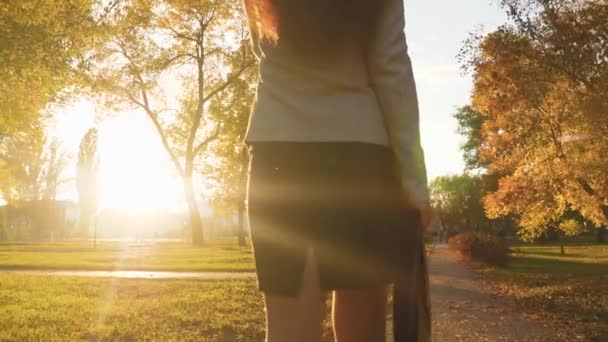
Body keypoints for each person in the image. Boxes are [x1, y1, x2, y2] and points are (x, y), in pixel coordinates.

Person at [241, 0, 431, 341]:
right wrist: (415, 184)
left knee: (288, 330)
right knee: (363, 329)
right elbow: (391, 69)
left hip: (279, 154)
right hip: (358, 159)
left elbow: (264, 46)